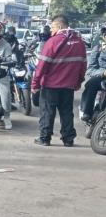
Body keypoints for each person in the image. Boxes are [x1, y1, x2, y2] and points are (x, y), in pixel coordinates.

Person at [31, 15, 87, 147]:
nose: (51, 31)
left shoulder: (53, 42)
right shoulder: (79, 42)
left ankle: (45, 138)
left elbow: (42, 65)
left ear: (60, 26)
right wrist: (79, 81)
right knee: (67, 112)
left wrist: (35, 83)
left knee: (47, 112)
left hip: (51, 85)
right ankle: (68, 139)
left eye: (52, 27)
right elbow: (83, 65)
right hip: (68, 86)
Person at [80, 32, 106, 124]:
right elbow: (91, 70)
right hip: (101, 77)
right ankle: (87, 112)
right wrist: (103, 73)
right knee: (91, 83)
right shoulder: (98, 49)